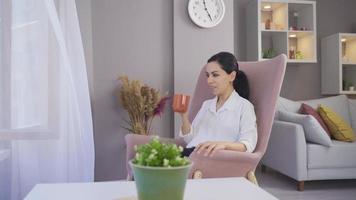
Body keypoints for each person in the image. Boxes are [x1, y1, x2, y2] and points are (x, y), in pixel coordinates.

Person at [178, 52, 257, 157]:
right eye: (208, 75)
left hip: (212, 158)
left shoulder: (244, 107)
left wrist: (222, 145)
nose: (209, 81)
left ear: (232, 76)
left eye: (215, 75)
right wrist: (183, 116)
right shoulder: (207, 105)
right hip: (192, 153)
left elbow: (247, 145)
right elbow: (190, 139)